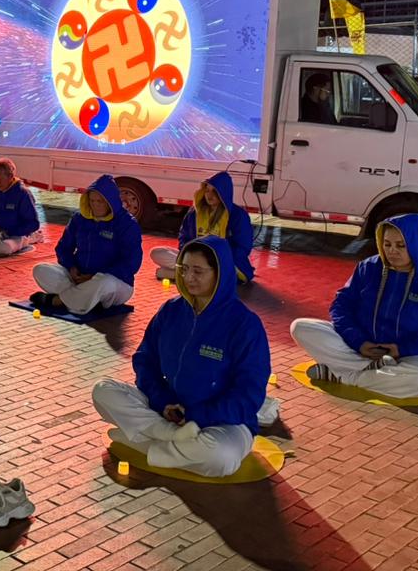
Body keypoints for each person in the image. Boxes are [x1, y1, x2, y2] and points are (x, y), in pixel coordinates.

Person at [93, 236, 270, 477]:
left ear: (220, 273)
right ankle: (170, 436)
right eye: (184, 269)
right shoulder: (171, 311)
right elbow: (145, 360)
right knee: (103, 391)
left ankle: (141, 442)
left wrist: (198, 415)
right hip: (167, 411)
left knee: (222, 458)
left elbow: (249, 394)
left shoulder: (244, 324)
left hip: (221, 422)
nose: (188, 278)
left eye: (198, 271)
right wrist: (162, 401)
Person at [291, 214, 418, 398]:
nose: (392, 251)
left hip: (410, 354)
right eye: (387, 244)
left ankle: (344, 374)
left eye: (401, 245)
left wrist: (402, 349)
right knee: (300, 328)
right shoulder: (368, 268)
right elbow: (340, 306)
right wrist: (359, 342)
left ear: (416, 245)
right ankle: (372, 371)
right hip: (359, 348)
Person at [31, 175, 142, 315]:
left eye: (100, 201)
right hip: (78, 278)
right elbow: (63, 248)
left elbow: (132, 263)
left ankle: (58, 301)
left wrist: (94, 276)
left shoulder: (127, 224)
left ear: (111, 202)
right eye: (92, 200)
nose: (95, 205)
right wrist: (71, 267)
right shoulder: (79, 218)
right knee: (40, 270)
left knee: (103, 283)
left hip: (114, 282)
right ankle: (86, 299)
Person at [149, 171, 254, 283]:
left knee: (162, 272)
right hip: (195, 260)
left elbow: (243, 247)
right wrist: (189, 253)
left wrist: (217, 258)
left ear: (224, 193)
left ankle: (187, 274)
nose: (209, 195)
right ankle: (200, 275)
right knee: (156, 252)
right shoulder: (195, 212)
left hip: (222, 262)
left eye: (214, 191)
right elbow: (184, 237)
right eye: (207, 190)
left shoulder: (237, 215)